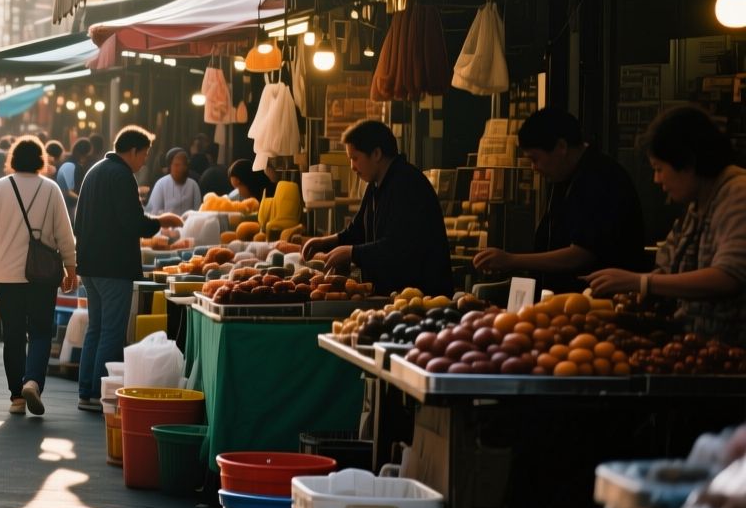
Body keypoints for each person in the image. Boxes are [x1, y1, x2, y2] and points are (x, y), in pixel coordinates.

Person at [585, 105, 744, 343]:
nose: (656, 179)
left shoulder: (737, 194)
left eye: (659, 169)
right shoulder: (698, 203)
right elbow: (668, 267)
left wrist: (641, 282)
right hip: (695, 347)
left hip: (731, 358)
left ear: (688, 162)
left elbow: (728, 276)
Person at [472, 108, 647, 293]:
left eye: (535, 159)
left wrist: (512, 260)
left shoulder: (600, 178)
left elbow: (580, 255)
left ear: (561, 147)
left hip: (596, 302)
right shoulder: (565, 175)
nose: (534, 168)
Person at [72, 127, 184, 411]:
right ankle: (100, 393)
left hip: (90, 264)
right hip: (112, 266)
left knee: (95, 328)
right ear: (132, 151)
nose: (145, 160)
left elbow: (80, 220)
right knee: (111, 330)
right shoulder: (122, 176)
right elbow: (133, 222)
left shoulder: (96, 171)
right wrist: (161, 221)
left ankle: (87, 390)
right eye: (144, 154)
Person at [0, 138, 78, 416]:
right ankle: (33, 380)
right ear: (41, 160)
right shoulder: (51, 189)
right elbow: (64, 235)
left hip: (6, 275)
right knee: (42, 330)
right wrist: (71, 267)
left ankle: (17, 397)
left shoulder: (0, 188)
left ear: (13, 160)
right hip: (42, 274)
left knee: (13, 335)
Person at [302, 119, 452, 295]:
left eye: (355, 158)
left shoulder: (407, 184)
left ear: (376, 154)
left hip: (422, 298)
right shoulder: (375, 184)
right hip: (391, 295)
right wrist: (327, 242)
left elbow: (397, 246)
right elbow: (358, 230)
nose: (352, 167)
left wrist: (352, 253)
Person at [146, 147, 203, 216]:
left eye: (184, 165)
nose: (180, 169)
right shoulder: (161, 184)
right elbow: (153, 212)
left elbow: (198, 213)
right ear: (170, 166)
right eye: (177, 165)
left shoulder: (193, 185)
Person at [56, 138, 92, 217]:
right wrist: (81, 200)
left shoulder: (66, 161)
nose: (88, 158)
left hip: (64, 204)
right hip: (71, 206)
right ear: (82, 154)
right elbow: (67, 192)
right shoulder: (75, 167)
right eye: (87, 155)